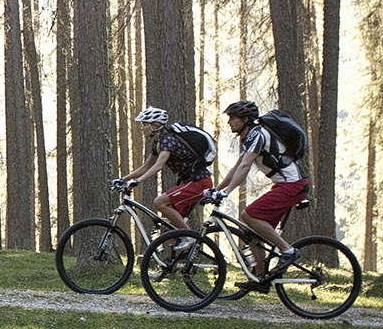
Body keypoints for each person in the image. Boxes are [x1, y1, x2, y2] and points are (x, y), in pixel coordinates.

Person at [206, 100, 308, 288]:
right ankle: (260, 279)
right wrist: (217, 190)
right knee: (250, 231)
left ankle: (288, 250)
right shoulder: (249, 137)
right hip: (284, 185)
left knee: (248, 214)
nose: (229, 122)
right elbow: (237, 167)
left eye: (232, 118)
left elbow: (245, 167)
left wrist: (226, 192)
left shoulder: (258, 134)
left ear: (245, 119)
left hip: (293, 185)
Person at [112, 107, 215, 238]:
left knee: (159, 202)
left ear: (155, 125)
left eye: (144, 124)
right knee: (171, 226)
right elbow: (145, 167)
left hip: (199, 183)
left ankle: (190, 238)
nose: (142, 128)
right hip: (190, 182)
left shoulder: (167, 140)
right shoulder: (158, 143)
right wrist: (123, 179)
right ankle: (174, 257)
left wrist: (137, 182)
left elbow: (158, 165)